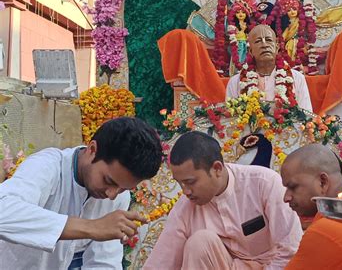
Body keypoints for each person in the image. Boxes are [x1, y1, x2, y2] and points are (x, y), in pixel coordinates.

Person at [0, 116, 163, 269]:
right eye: (108, 181)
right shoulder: (48, 165)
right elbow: (3, 211)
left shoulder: (119, 196)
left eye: (124, 188)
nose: (112, 194)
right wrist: (92, 227)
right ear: (92, 150)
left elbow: (104, 263)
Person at [143, 131, 303, 270]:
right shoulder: (185, 207)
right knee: (200, 243)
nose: (185, 191)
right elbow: (160, 262)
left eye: (190, 182)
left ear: (217, 169)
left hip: (271, 266)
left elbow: (290, 249)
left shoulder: (264, 183)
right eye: (180, 184)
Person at [226, 24, 313, 111]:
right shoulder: (236, 82)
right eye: (258, 41)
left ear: (277, 47)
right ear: (251, 51)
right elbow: (230, 118)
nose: (264, 45)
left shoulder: (297, 78)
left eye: (268, 40)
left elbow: (306, 117)